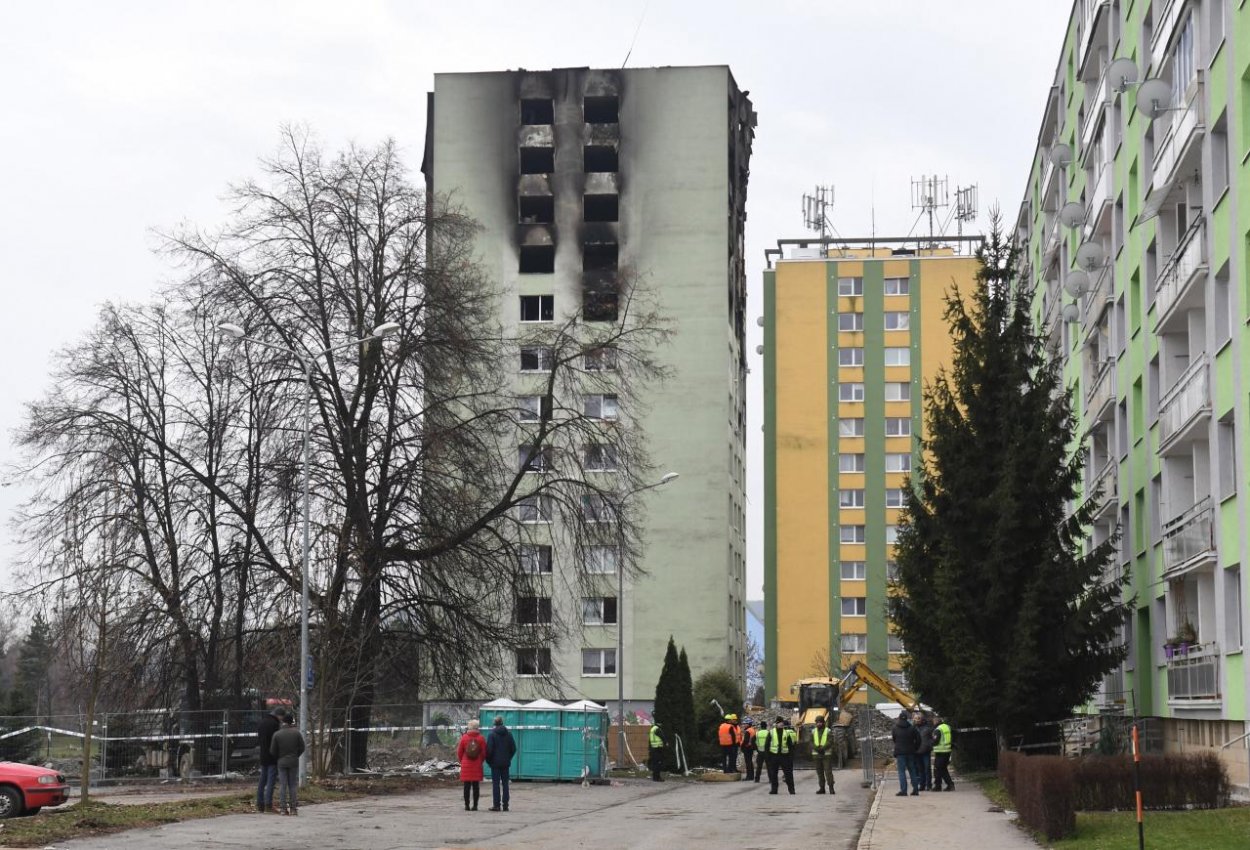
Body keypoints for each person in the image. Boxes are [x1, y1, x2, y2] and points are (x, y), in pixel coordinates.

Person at [270, 712, 305, 815]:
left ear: (283, 722)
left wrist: (279, 757)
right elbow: (302, 747)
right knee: (292, 785)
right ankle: (293, 809)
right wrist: (295, 755)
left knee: (283, 785)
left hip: (281, 762)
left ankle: (282, 809)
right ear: (291, 722)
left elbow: (272, 750)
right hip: (293, 761)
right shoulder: (297, 733)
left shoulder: (277, 734)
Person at [485, 715, 517, 811]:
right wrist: (508, 758)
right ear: (502, 722)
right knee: (505, 784)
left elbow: (489, 750)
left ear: (494, 723)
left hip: (495, 763)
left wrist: (489, 761)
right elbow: (513, 749)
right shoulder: (509, 734)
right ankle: (506, 805)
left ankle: (496, 805)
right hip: (505, 763)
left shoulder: (491, 735)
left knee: (496, 784)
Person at [256, 707, 284, 813]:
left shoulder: (262, 722)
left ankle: (260, 803)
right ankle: (268, 804)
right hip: (272, 756)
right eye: (281, 717)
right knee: (271, 781)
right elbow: (276, 741)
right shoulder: (274, 724)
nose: (281, 720)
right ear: (278, 715)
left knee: (262, 780)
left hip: (263, 755)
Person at [457, 719, 487, 811]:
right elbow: (484, 753)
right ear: (477, 727)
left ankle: (467, 805)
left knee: (466, 786)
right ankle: (475, 806)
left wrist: (462, 761)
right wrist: (480, 760)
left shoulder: (464, 737)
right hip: (477, 764)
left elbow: (459, 752)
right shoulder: (481, 738)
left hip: (466, 764)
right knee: (475, 786)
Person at [891, 710, 921, 796]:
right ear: (907, 719)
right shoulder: (912, 728)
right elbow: (918, 739)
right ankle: (915, 790)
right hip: (911, 752)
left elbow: (894, 739)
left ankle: (903, 791)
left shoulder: (895, 728)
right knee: (912, 771)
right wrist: (915, 748)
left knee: (901, 772)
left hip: (900, 753)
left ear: (899, 718)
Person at [764, 716, 797, 795]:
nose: (781, 724)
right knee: (773, 774)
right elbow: (767, 745)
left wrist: (790, 756)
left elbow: (790, 746)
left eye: (782, 722)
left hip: (784, 756)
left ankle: (791, 789)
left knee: (788, 774)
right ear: (776, 724)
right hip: (774, 756)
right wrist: (767, 756)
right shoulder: (771, 732)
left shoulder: (786, 733)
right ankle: (774, 789)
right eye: (779, 722)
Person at [810, 715, 836, 795]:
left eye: (820, 722)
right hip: (816, 754)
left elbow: (830, 741)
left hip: (826, 754)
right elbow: (811, 742)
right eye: (817, 722)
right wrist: (816, 748)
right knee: (819, 772)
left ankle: (831, 788)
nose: (819, 724)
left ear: (823, 723)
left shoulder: (828, 731)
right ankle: (822, 788)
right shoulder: (813, 731)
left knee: (828, 772)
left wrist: (822, 748)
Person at [932, 714, 955, 791]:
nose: (933, 722)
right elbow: (954, 735)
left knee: (939, 768)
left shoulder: (938, 729)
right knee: (942, 768)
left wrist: (929, 743)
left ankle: (945, 785)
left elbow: (935, 741)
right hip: (947, 751)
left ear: (935, 721)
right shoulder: (947, 726)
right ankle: (941, 785)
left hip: (940, 751)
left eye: (933, 721)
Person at [913, 711, 934, 791]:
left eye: (918, 719)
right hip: (917, 752)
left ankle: (929, 785)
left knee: (927, 769)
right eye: (915, 719)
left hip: (925, 751)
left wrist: (929, 745)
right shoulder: (914, 728)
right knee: (920, 769)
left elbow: (933, 738)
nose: (916, 720)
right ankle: (922, 785)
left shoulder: (927, 727)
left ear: (921, 719)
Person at [753, 719, 768, 783]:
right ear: (766, 726)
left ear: (761, 726)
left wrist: (756, 749)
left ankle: (757, 779)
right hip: (767, 752)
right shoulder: (769, 733)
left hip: (760, 752)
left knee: (759, 766)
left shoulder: (757, 733)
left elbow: (753, 741)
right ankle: (771, 779)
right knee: (769, 766)